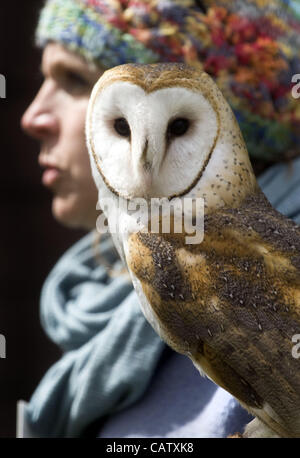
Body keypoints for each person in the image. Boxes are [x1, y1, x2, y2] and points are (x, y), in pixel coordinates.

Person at [20, 0, 300, 438]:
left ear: (219, 127)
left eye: (75, 80)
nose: (31, 117)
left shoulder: (221, 273)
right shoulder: (92, 290)